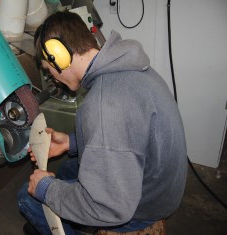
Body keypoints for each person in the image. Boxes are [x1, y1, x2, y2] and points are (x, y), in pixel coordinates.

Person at [18, 11, 187, 235]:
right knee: (70, 167)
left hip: (143, 206)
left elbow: (108, 207)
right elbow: (129, 133)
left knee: (27, 197)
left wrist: (46, 189)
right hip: (160, 187)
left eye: (50, 71)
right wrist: (70, 142)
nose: (53, 78)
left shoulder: (103, 104)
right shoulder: (129, 68)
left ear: (58, 56)